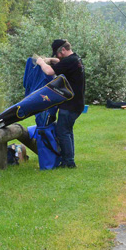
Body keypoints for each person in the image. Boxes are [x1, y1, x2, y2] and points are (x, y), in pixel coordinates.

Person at [35, 39, 85, 168]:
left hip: (70, 104)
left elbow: (49, 72)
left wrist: (40, 62)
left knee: (62, 131)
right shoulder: (75, 59)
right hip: (76, 103)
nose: (57, 56)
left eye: (57, 53)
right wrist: (51, 60)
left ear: (63, 50)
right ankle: (69, 159)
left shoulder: (69, 61)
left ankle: (68, 162)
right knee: (67, 131)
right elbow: (60, 63)